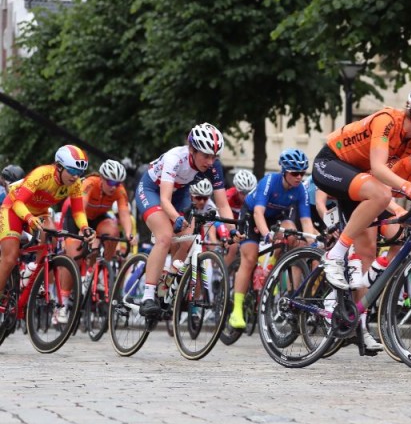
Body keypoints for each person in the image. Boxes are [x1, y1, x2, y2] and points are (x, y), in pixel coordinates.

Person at [312, 85, 411, 302]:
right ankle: (334, 255)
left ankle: (358, 327)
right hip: (330, 163)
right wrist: (407, 186)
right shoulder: (388, 121)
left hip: (358, 178)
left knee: (366, 255)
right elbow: (379, 168)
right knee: (382, 194)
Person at [135, 123, 236, 319]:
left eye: (214, 156)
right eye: (205, 156)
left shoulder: (214, 167)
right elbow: (164, 199)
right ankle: (148, 297)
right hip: (152, 189)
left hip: (180, 191)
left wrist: (232, 229)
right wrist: (175, 218)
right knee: (164, 236)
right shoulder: (175, 158)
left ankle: (167, 280)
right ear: (192, 149)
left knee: (189, 239)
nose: (210, 161)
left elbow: (223, 204)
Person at [0, 146, 95, 317]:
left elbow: (78, 212)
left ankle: (33, 269)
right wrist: (28, 218)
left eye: (80, 172)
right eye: (72, 170)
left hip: (39, 213)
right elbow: (18, 202)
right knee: (10, 257)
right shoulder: (42, 174)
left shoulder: (75, 183)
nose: (76, 176)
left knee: (52, 232)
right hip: (14, 209)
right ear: (59, 167)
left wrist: (85, 228)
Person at [228, 149, 315, 330]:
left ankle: (276, 267)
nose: (299, 177)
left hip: (276, 216)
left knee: (293, 234)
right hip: (253, 215)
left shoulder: (300, 189)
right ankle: (236, 310)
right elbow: (259, 212)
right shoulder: (269, 181)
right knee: (250, 258)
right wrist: (266, 233)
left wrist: (312, 241)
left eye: (302, 172)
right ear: (284, 171)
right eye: (295, 173)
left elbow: (306, 221)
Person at [58, 159, 136, 303]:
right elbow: (80, 208)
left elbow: (124, 213)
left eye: (117, 183)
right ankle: (63, 300)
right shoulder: (90, 183)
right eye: (111, 182)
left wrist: (129, 234)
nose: (114, 187)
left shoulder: (119, 190)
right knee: (74, 257)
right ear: (102, 178)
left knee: (113, 232)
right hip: (78, 216)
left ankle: (100, 268)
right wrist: (83, 229)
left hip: (98, 217)